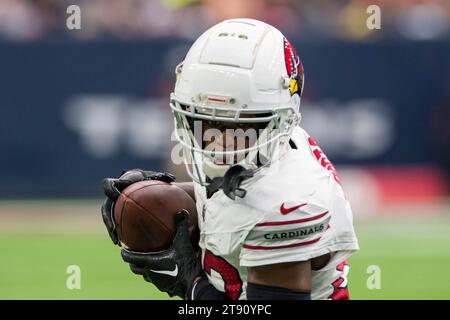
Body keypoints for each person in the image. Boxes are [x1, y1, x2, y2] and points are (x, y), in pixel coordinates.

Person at [101, 18, 359, 300]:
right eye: (206, 122)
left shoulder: (289, 205)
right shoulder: (266, 150)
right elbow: (230, 198)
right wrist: (152, 196)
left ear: (280, 121)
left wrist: (191, 284)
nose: (219, 143)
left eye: (240, 126)